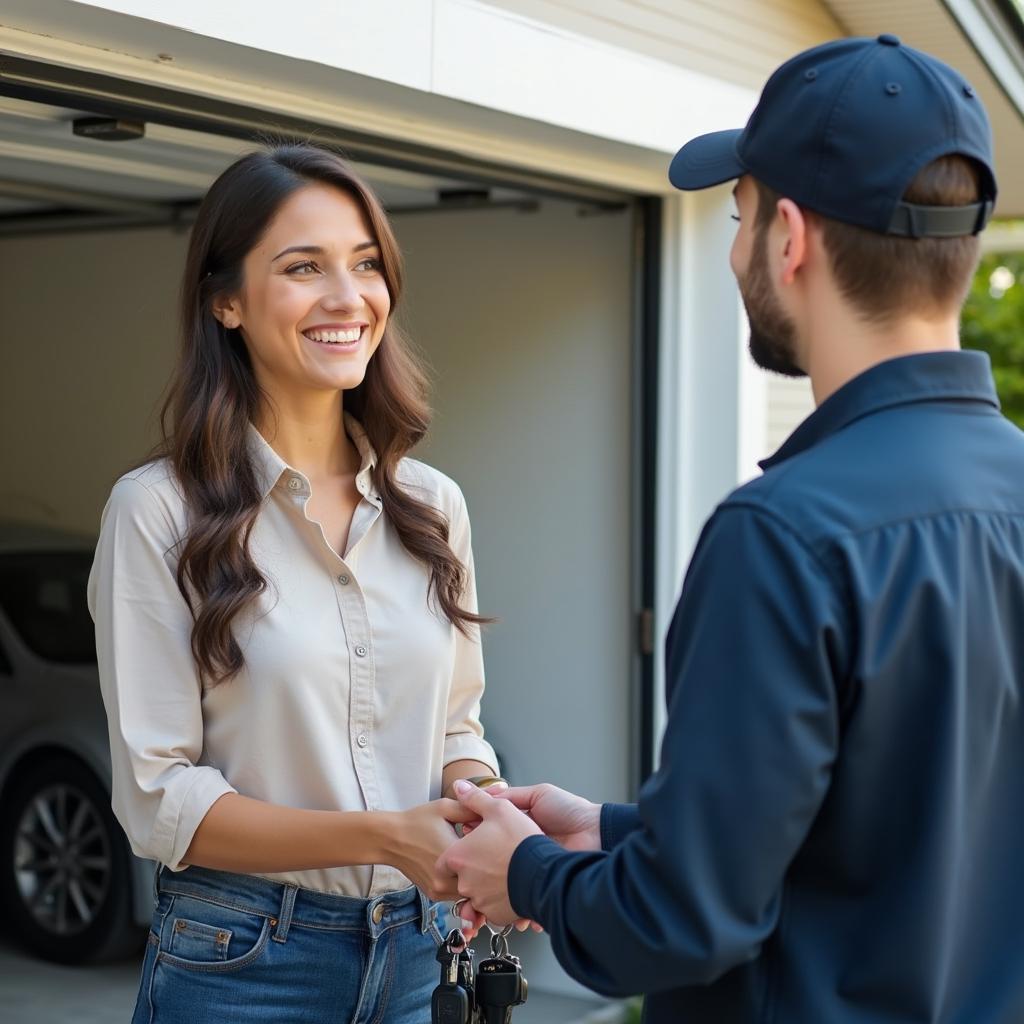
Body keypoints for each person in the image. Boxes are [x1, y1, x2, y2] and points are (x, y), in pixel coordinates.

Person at [440, 35, 1024, 1024]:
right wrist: (619, 831)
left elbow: (681, 922)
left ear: (789, 237)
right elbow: (899, 832)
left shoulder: (784, 535)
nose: (732, 246)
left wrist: (527, 872)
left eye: (736, 212)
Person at [87, 143, 502, 1024]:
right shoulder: (156, 512)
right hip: (242, 960)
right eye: (303, 267)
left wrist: (492, 819)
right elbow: (162, 803)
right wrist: (387, 835)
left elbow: (456, 727)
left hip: (423, 950)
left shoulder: (432, 504)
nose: (348, 297)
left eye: (365, 265)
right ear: (225, 301)